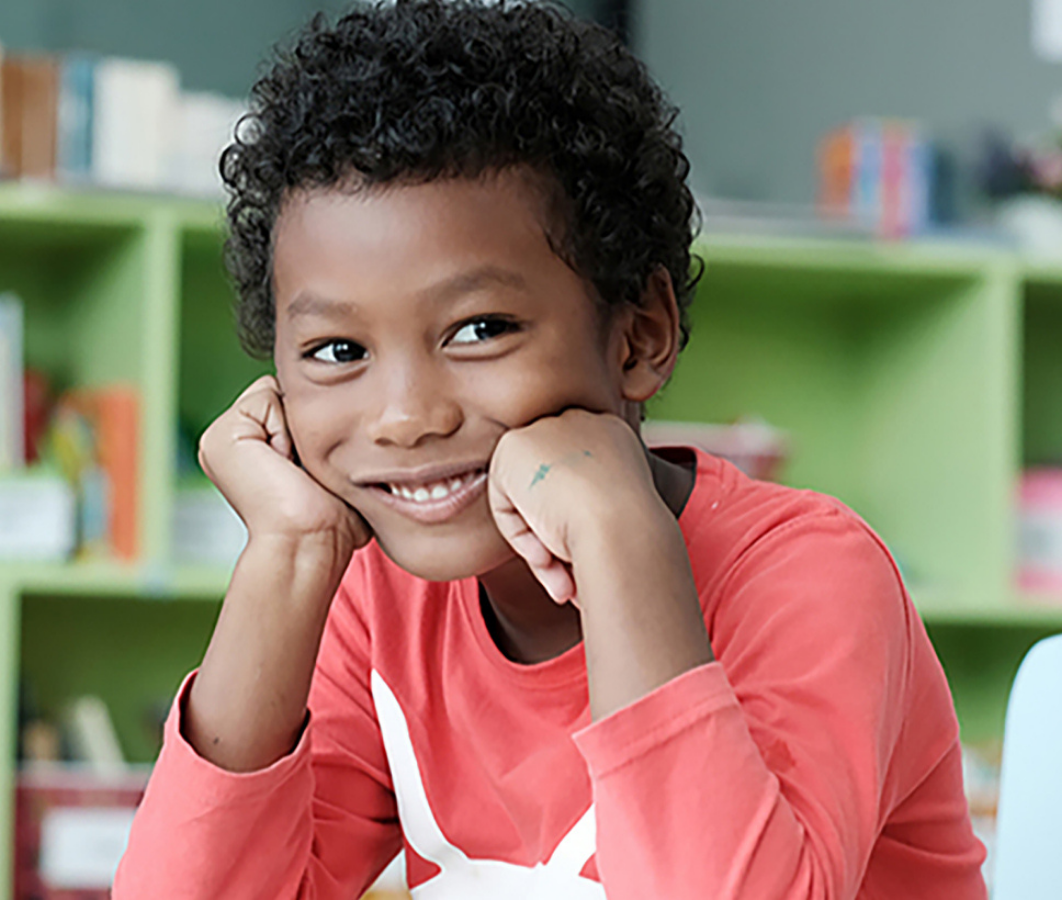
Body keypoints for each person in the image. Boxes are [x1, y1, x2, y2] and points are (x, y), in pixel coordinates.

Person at [114, 2, 988, 897]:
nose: (406, 417)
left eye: (480, 329)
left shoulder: (810, 576)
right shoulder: (384, 603)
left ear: (639, 336)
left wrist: (621, 542)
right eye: (339, 352)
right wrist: (288, 556)